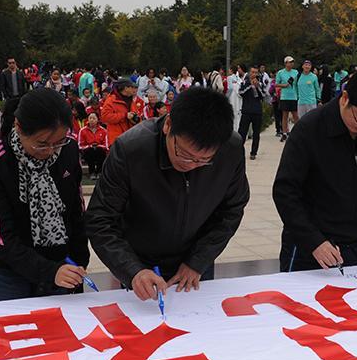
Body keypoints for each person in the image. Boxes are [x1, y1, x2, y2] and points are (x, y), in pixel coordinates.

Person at [85, 87, 249, 299]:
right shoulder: (131, 151)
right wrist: (132, 270)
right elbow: (100, 219)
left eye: (203, 160)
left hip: (196, 262)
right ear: (168, 125)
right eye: (184, 155)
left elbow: (232, 209)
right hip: (140, 263)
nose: (192, 165)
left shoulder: (230, 149)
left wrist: (197, 261)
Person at [273, 66, 357, 272]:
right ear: (345, 97)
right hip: (310, 249)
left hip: (355, 246)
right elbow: (285, 192)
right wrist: (313, 240)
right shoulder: (310, 129)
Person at [0, 88, 89, 302]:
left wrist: (80, 258)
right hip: (8, 271)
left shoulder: (69, 149)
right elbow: (0, 237)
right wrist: (49, 271)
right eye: (42, 143)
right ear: (18, 127)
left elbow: (76, 210)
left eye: (58, 141)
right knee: (13, 330)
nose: (51, 151)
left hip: (62, 262)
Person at [99, 78, 139, 146]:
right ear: (126, 88)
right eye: (132, 87)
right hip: (117, 138)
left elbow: (136, 115)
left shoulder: (131, 100)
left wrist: (136, 120)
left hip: (130, 136)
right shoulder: (111, 100)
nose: (134, 90)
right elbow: (105, 117)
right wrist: (124, 115)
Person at [238, 65, 264, 160]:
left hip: (257, 111)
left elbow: (264, 95)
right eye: (252, 72)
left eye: (256, 72)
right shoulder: (245, 82)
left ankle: (253, 152)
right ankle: (239, 152)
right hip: (246, 111)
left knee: (256, 133)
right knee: (242, 133)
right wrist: (250, 85)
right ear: (249, 73)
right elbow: (240, 93)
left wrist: (257, 87)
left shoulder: (260, 83)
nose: (254, 74)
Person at [275, 56, 299, 140]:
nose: (292, 63)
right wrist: (284, 85)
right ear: (286, 63)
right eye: (290, 62)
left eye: (292, 62)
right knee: (284, 115)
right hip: (284, 96)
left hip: (294, 96)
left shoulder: (296, 72)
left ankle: (297, 132)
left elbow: (297, 84)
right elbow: (276, 84)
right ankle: (284, 132)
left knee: (295, 115)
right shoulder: (280, 73)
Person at [78, 112, 108, 177]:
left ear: (98, 119)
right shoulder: (82, 130)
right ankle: (92, 172)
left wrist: (98, 146)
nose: (92, 120)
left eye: (94, 118)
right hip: (88, 151)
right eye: (90, 118)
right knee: (89, 151)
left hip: (100, 150)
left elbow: (106, 145)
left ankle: (99, 171)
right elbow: (80, 145)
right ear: (88, 119)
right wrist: (90, 146)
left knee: (100, 151)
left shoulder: (104, 131)